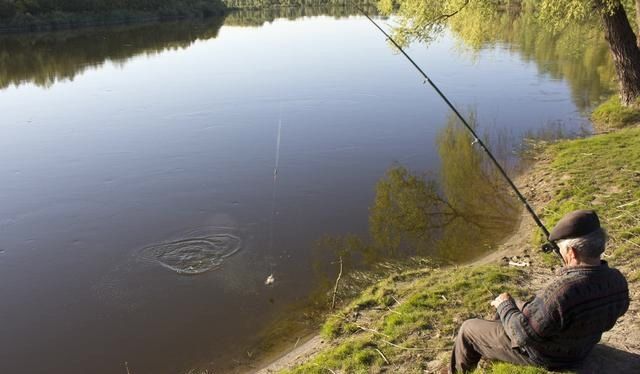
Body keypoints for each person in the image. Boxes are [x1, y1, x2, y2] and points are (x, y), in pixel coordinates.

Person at [449, 210, 630, 373]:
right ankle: (492, 347)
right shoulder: (618, 280)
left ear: (572, 253)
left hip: (548, 356)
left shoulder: (561, 291)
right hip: (581, 348)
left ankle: (456, 371)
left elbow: (522, 335)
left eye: (561, 250)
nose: (561, 254)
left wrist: (504, 305)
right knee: (519, 305)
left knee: (468, 329)